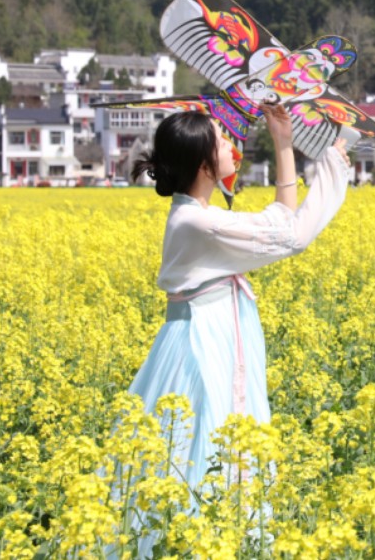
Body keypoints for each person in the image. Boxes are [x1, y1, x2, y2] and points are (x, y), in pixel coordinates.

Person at [124, 104, 351, 512]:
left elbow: (280, 219)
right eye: (220, 137)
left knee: (217, 439)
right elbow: (293, 237)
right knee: (207, 441)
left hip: (214, 333)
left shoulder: (200, 215)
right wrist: (331, 162)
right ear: (203, 162)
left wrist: (283, 138)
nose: (231, 142)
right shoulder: (198, 223)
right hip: (202, 342)